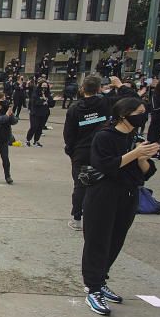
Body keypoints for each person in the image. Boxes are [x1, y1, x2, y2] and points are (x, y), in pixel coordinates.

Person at [81, 98, 158, 316]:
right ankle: (93, 288)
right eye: (139, 112)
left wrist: (143, 157)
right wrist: (135, 153)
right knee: (98, 241)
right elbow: (106, 165)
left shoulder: (135, 137)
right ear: (124, 114)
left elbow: (147, 172)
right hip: (103, 196)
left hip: (128, 195)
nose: (143, 116)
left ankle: (102, 278)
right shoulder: (104, 136)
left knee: (116, 240)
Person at [63, 76, 110, 231]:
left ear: (82, 89)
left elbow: (68, 133)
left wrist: (71, 150)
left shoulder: (75, 108)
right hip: (101, 149)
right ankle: (98, 217)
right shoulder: (105, 103)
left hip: (81, 150)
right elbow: (128, 100)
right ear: (98, 89)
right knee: (101, 183)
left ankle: (77, 218)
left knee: (80, 184)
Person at [26, 79, 55, 147]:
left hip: (44, 113)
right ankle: (28, 140)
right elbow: (35, 102)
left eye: (46, 86)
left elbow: (51, 104)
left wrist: (51, 100)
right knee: (34, 127)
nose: (44, 88)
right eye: (43, 86)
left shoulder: (48, 94)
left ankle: (36, 141)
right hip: (35, 113)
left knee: (40, 128)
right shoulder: (35, 93)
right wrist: (43, 100)